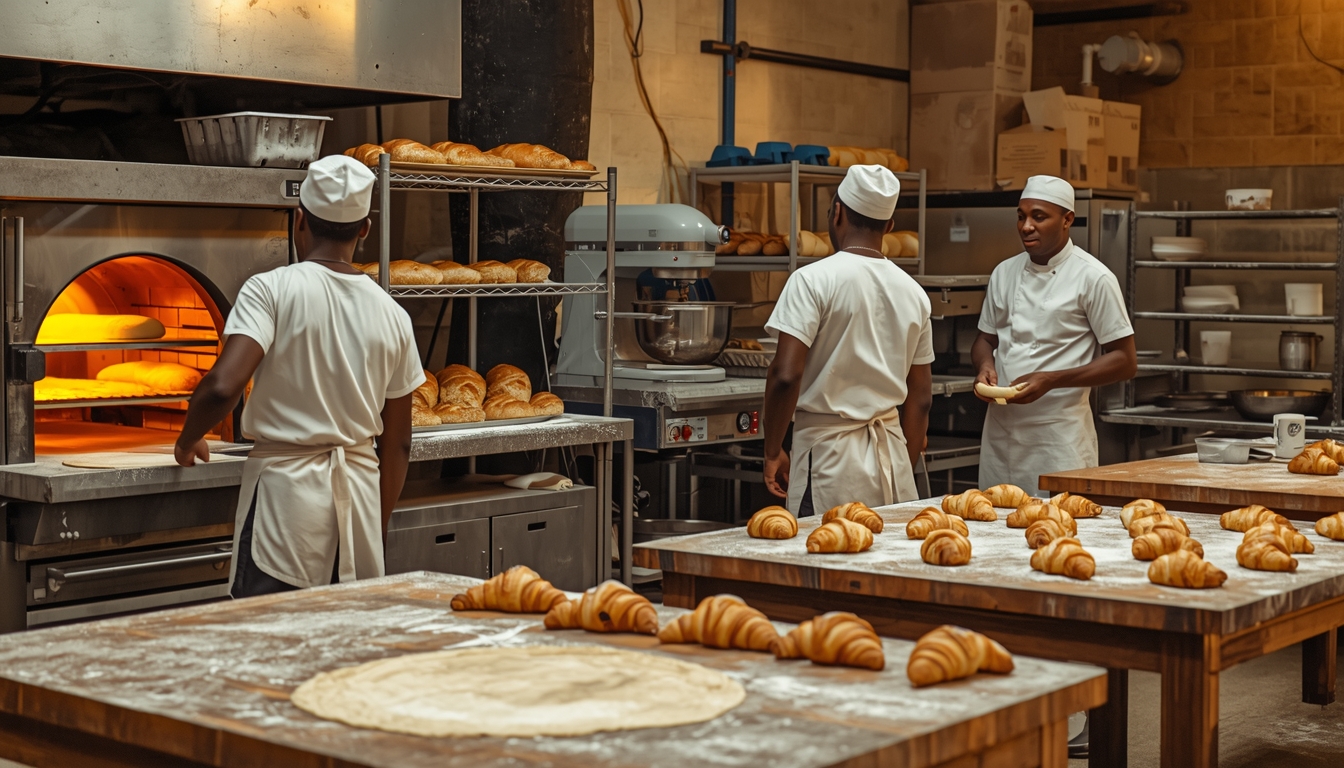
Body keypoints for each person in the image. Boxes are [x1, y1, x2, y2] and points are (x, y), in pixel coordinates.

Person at [174, 154, 421, 597]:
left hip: (285, 506)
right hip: (359, 506)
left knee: (272, 634)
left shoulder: (270, 289)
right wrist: (374, 523)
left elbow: (222, 386)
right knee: (342, 639)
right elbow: (399, 442)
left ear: (299, 219)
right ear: (365, 229)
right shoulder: (393, 314)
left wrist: (188, 438)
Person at [762, 164, 934, 516]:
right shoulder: (914, 293)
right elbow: (921, 398)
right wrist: (903, 460)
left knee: (828, 548)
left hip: (829, 461)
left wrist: (772, 450)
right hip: (892, 461)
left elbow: (785, 375)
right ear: (889, 226)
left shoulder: (811, 280)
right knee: (886, 552)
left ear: (836, 212)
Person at [972, 175, 1137, 498]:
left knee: (1059, 524)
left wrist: (1051, 379)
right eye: (1021, 216)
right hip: (1001, 435)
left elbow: (1124, 360)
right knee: (997, 522)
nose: (1026, 226)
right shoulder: (1004, 272)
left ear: (1067, 220)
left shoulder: (1094, 278)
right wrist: (984, 366)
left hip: (1059, 439)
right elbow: (985, 340)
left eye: (1039, 217)